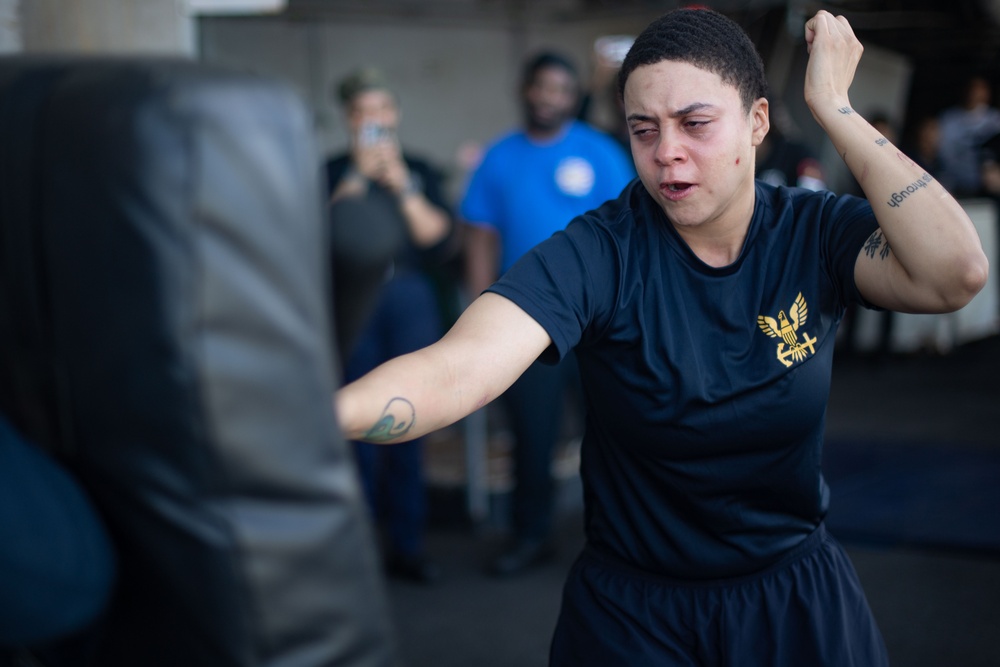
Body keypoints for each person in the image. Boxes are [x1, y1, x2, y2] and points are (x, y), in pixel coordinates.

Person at [336, 8, 988, 665]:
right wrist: (322, 417)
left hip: (789, 589)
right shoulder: (601, 250)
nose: (666, 151)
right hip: (635, 613)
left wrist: (835, 110)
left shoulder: (810, 231)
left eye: (695, 124)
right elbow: (459, 367)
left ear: (757, 122)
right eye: (643, 130)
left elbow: (955, 273)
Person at [460, 50, 634, 576]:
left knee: (618, 431)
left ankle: (623, 537)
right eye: (541, 87)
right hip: (525, 322)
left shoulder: (601, 152)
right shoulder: (498, 158)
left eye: (560, 89)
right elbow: (481, 237)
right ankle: (531, 534)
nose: (549, 97)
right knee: (531, 436)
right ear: (526, 90)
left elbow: (632, 232)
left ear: (572, 95)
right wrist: (479, 315)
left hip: (601, 320)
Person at [325, 67, 455, 584]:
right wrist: (356, 176)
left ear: (395, 114)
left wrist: (403, 187)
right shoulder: (332, 169)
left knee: (409, 418)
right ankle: (355, 552)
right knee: (353, 420)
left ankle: (408, 545)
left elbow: (439, 239)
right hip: (353, 300)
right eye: (362, 113)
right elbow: (324, 233)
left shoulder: (419, 167)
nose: (373, 121)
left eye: (381, 110)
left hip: (408, 295)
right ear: (349, 120)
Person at [937, 74, 1000, 197]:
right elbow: (942, 153)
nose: (974, 93)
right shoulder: (948, 118)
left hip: (988, 185)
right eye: (971, 88)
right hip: (953, 182)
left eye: (980, 88)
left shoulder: (996, 119)